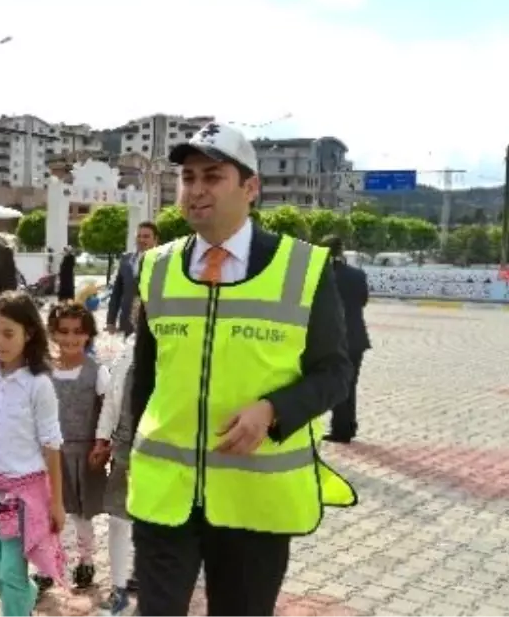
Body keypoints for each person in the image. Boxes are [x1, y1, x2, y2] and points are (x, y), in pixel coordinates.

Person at [128, 122, 357, 616]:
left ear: (250, 188)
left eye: (213, 176)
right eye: (188, 178)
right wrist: (126, 452)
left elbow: (335, 372)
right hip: (166, 495)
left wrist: (273, 410)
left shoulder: (303, 269)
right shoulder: (156, 267)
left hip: (254, 499)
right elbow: (144, 378)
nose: (196, 190)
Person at [0, 291, 65, 617]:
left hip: (23, 493)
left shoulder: (39, 385)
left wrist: (57, 502)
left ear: (29, 333)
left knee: (11, 571)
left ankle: (18, 603)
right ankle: (26, 596)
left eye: (9, 333)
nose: (0, 342)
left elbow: (52, 445)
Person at [33, 302, 110, 593]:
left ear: (88, 334)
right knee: (49, 512)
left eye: (78, 332)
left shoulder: (97, 373)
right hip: (51, 455)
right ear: (52, 333)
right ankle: (49, 566)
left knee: (81, 514)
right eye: (63, 331)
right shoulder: (43, 372)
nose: (70, 338)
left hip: (83, 453)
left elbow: (107, 412)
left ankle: (86, 559)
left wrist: (103, 445)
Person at [96, 324, 140, 615]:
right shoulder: (130, 348)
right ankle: (119, 588)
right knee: (118, 519)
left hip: (165, 451)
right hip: (125, 446)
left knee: (154, 523)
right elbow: (112, 399)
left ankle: (143, 574)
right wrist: (103, 437)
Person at [321, 235, 370, 443]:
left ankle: (340, 429)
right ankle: (348, 426)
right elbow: (363, 300)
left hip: (333, 338)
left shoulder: (323, 275)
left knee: (337, 384)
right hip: (357, 338)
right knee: (351, 384)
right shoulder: (358, 274)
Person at [107, 221, 159, 336]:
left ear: (155, 240)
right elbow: (117, 292)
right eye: (138, 236)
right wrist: (111, 320)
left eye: (146, 236)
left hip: (153, 323)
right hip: (127, 322)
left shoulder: (164, 261)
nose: (141, 240)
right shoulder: (126, 259)